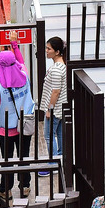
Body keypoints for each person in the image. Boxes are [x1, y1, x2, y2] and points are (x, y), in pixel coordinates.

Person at [0, 34, 35, 201]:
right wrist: (14, 45)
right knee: (24, 156)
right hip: (24, 125)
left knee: (7, 160)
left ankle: (5, 189)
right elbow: (21, 61)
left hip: (6, 129)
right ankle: (25, 186)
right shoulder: (24, 75)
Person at [39, 37, 68, 166]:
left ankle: (53, 163)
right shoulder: (62, 65)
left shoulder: (57, 69)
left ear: (57, 52)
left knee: (49, 135)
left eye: (48, 48)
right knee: (60, 134)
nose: (46, 51)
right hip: (60, 107)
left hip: (54, 109)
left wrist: (49, 109)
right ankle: (61, 159)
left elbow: (55, 91)